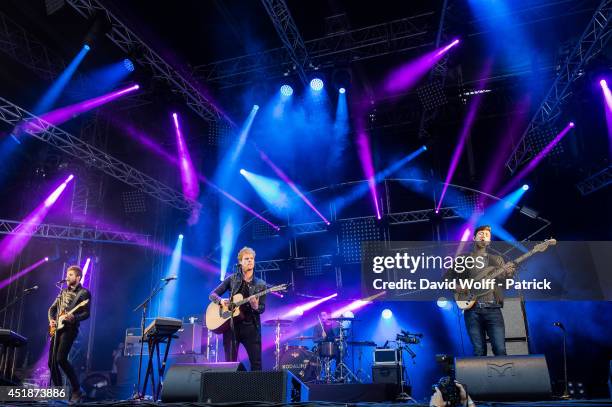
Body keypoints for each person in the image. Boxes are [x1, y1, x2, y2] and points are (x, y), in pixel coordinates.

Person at [450, 225, 515, 356]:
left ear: (489, 241)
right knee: (479, 352)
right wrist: (458, 287)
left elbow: (506, 285)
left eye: (487, 235)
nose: (484, 236)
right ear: (474, 238)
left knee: (500, 350)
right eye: (481, 234)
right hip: (472, 310)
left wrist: (509, 274)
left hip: (493, 308)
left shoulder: (497, 259)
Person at [209, 246, 267, 370]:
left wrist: (256, 306)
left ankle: (256, 389)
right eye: (246, 259)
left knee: (256, 364)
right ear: (240, 262)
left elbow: (262, 308)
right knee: (229, 365)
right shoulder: (232, 279)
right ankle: (231, 389)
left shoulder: (261, 284)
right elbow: (212, 295)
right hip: (231, 327)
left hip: (251, 328)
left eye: (252, 259)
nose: (250, 261)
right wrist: (221, 301)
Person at [48, 265, 91, 403]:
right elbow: (52, 308)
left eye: (71, 274)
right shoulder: (62, 292)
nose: (67, 277)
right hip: (57, 328)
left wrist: (75, 318)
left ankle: (77, 389)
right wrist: (52, 321)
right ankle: (60, 393)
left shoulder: (84, 293)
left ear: (78, 277)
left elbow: (86, 313)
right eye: (67, 274)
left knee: (60, 359)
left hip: (69, 329)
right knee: (51, 363)